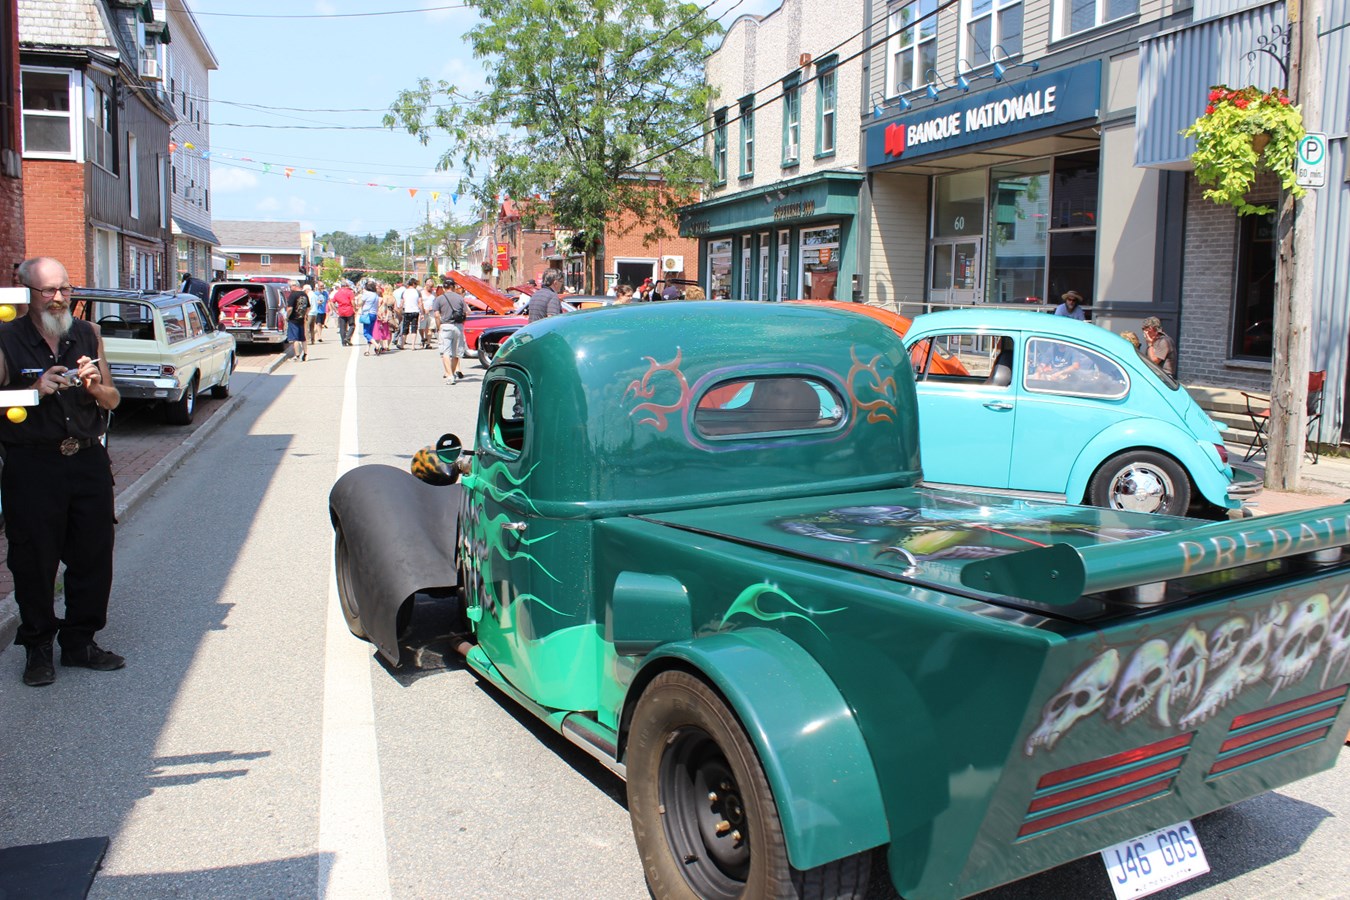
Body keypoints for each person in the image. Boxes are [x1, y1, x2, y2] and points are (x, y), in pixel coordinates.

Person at [0, 257, 123, 686]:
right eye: (49, 291)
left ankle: (79, 643)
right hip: (33, 464)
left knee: (93, 554)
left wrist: (94, 385)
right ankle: (37, 648)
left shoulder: (88, 333)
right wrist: (32, 391)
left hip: (87, 459)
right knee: (34, 560)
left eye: (65, 290)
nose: (58, 299)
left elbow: (112, 401)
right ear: (26, 294)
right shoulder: (7, 338)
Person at [435, 284, 469, 382]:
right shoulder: (460, 298)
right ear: (453, 287)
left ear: (444, 288)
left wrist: (438, 327)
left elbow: (437, 315)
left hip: (445, 326)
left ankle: (449, 376)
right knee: (456, 353)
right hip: (458, 326)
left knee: (445, 352)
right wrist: (462, 324)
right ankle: (452, 373)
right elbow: (465, 313)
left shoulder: (439, 298)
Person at [285, 282, 308, 362]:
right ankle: (305, 354)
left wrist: (287, 316)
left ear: (295, 286)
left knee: (295, 338)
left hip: (293, 319)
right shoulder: (304, 294)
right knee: (303, 338)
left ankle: (297, 355)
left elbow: (290, 308)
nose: (290, 288)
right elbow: (308, 307)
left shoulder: (293, 295)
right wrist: (305, 314)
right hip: (301, 318)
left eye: (290, 286)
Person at [398, 278, 421, 349]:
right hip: (415, 311)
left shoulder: (404, 292)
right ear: (414, 284)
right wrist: (422, 312)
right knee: (414, 328)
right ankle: (413, 345)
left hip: (407, 311)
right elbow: (420, 303)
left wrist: (400, 312)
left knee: (405, 328)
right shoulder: (417, 292)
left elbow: (401, 303)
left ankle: (402, 344)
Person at [331, 280, 356, 346]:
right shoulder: (350, 292)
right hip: (349, 310)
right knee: (352, 325)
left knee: (342, 327)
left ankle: (343, 342)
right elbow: (352, 301)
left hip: (341, 311)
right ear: (346, 285)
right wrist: (355, 309)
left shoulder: (337, 293)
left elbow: (332, 302)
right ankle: (348, 337)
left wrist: (335, 310)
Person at [358, 280, 380, 353]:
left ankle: (377, 345)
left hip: (367, 314)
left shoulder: (366, 294)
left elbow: (360, 303)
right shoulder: (376, 295)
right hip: (374, 314)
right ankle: (367, 350)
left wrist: (360, 296)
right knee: (370, 333)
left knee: (366, 333)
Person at [373, 284, 396, 354]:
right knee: (389, 331)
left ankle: (382, 345)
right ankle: (387, 346)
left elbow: (383, 304)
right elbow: (395, 308)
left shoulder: (384, 297)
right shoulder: (393, 298)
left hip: (382, 314)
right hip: (390, 314)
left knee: (381, 330)